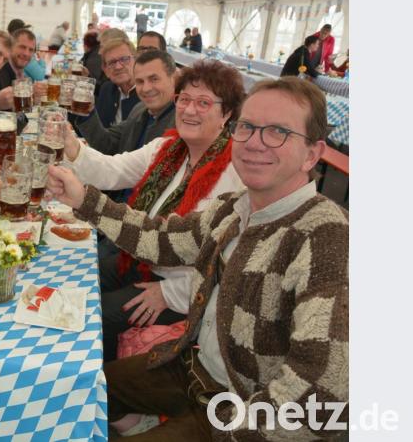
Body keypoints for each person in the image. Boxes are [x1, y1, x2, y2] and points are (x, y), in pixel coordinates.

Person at [48, 76, 348, 441]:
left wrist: (234, 434)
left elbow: (321, 390)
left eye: (277, 132)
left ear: (313, 154)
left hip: (243, 407)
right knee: (81, 386)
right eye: (248, 127)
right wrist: (83, 200)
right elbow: (159, 239)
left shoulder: (327, 239)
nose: (255, 143)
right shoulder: (234, 210)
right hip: (194, 369)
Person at [67, 59, 246, 360]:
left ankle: (100, 387)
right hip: (140, 260)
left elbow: (229, 264)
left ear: (226, 113)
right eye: (184, 99)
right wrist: (70, 146)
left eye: (204, 103)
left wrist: (169, 294)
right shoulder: (167, 149)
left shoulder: (235, 174)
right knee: (73, 277)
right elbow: (112, 170)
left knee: (89, 319)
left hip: (182, 288)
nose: (189, 110)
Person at [76, 50, 178, 158]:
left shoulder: (182, 122)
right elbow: (106, 143)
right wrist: (87, 107)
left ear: (174, 79)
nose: (146, 88)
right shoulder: (139, 109)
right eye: (140, 81)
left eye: (154, 79)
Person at [96, 37, 140, 128]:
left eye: (124, 59)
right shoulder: (106, 89)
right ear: (106, 70)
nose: (118, 67)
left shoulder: (146, 94)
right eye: (112, 62)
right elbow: (99, 131)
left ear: (136, 61)